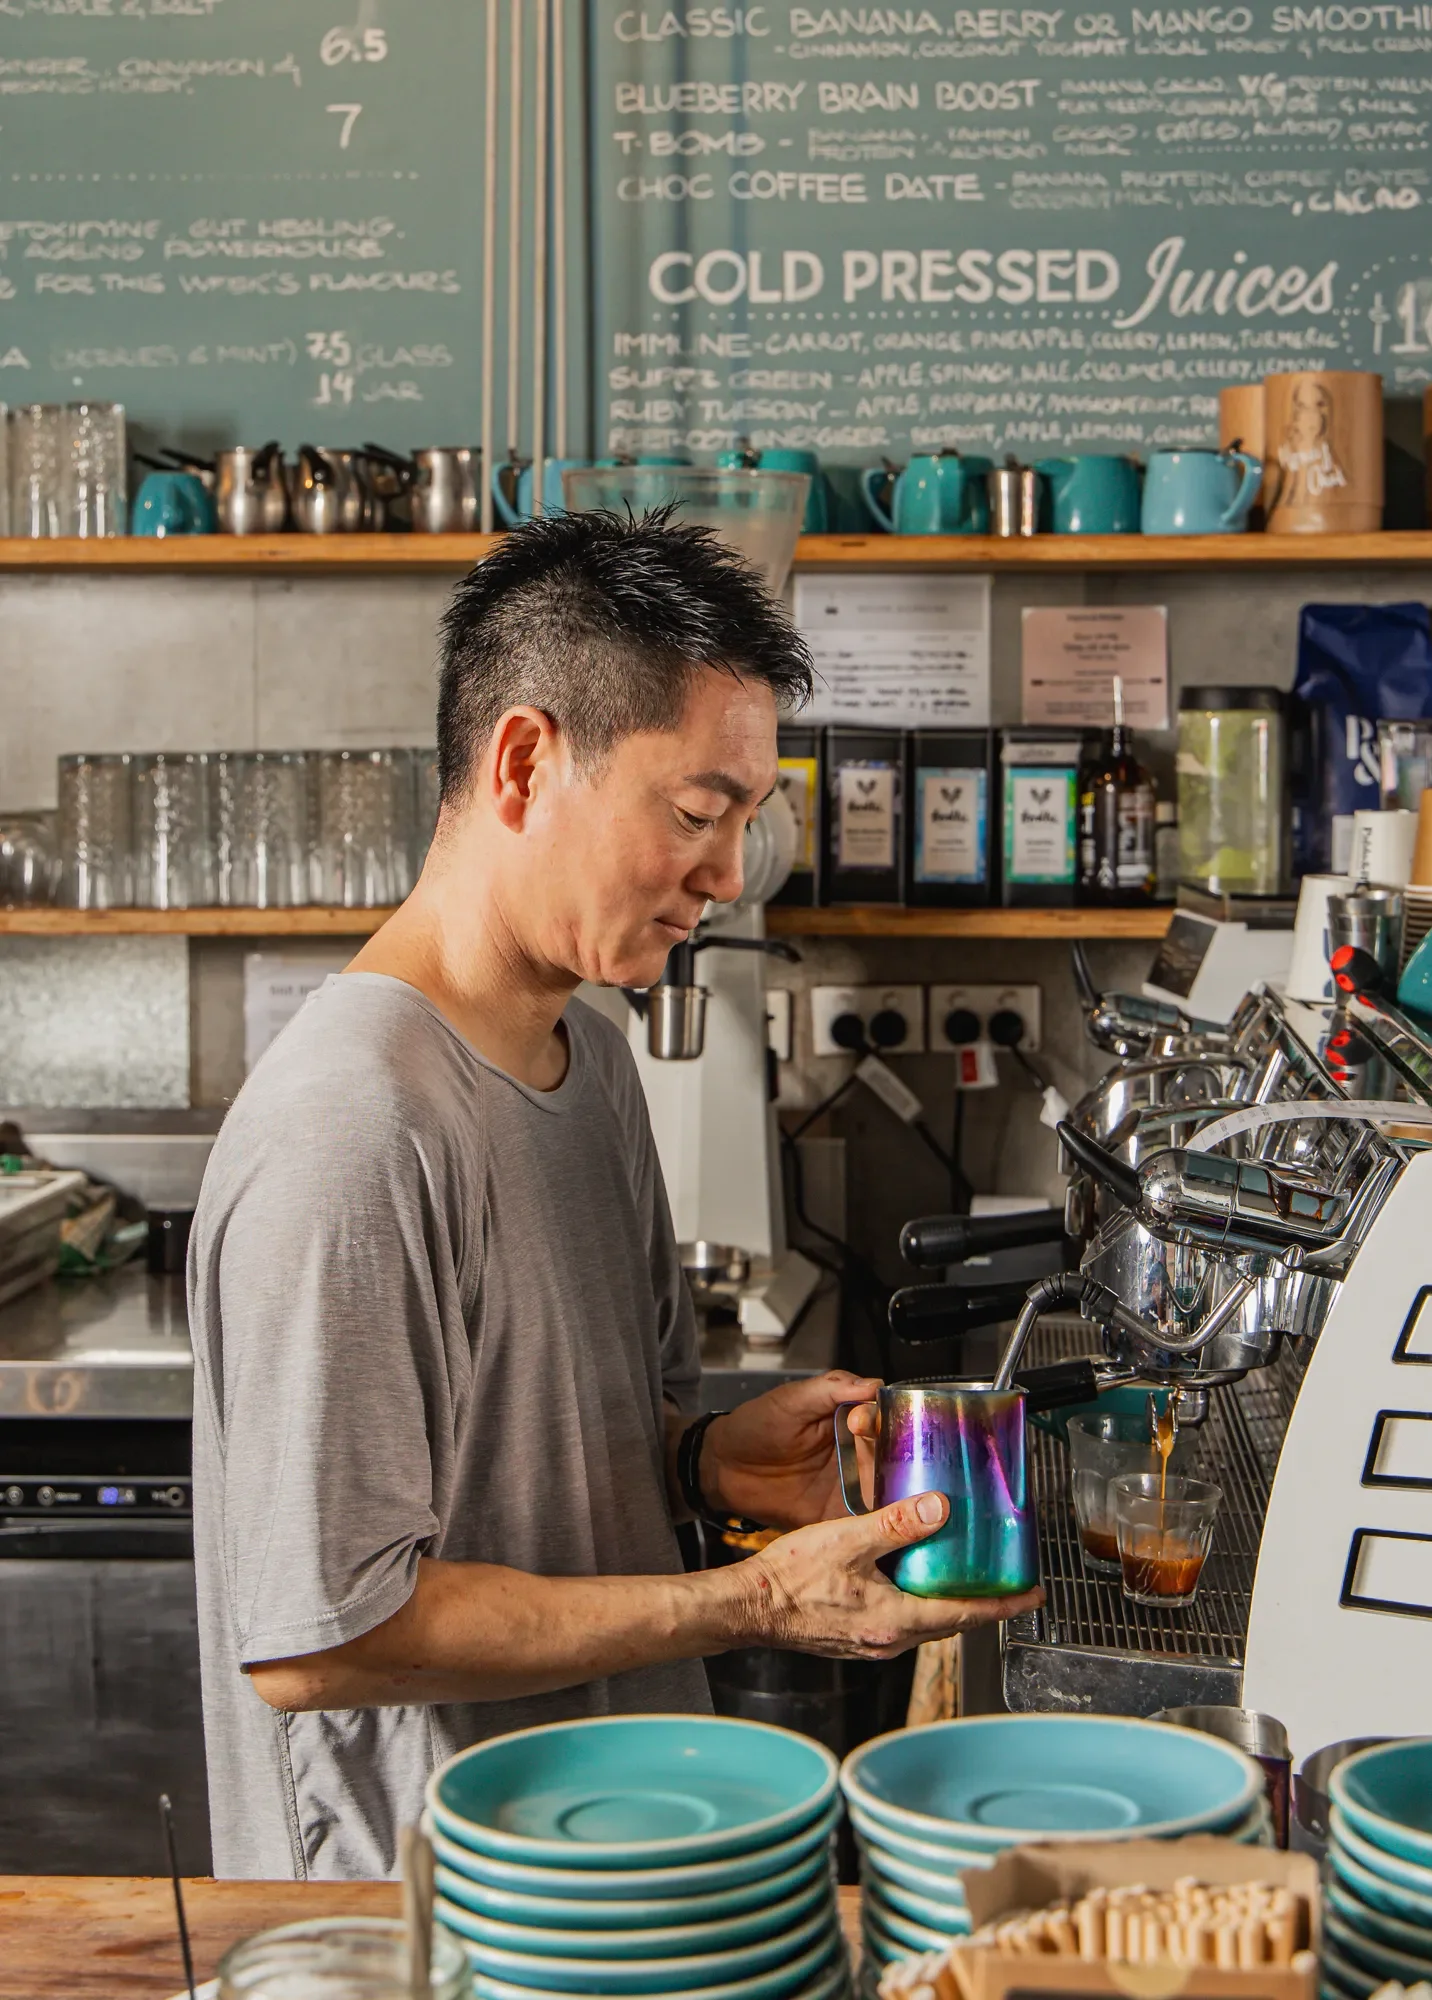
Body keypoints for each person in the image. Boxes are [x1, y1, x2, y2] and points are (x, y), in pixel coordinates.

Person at [189, 511, 1042, 1880]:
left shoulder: (590, 1057)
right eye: (697, 816)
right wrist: (753, 1597)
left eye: (746, 825)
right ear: (526, 760)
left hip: (623, 1849)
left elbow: (523, 1461)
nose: (722, 879)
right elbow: (321, 1635)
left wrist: (701, 1460)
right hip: (431, 1914)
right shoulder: (353, 1130)